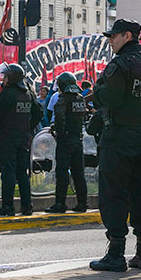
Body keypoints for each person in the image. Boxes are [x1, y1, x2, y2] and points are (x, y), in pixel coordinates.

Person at [89, 19, 141, 272]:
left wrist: (98, 89)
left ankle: (116, 254)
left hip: (118, 139)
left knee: (114, 196)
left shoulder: (120, 64)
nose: (110, 41)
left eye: (113, 36)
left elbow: (108, 98)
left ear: (127, 36)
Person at [0, 63, 42, 216]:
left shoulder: (8, 93)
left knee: (8, 171)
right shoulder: (29, 93)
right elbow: (38, 113)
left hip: (7, 136)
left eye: (5, 76)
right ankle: (27, 206)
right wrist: (28, 127)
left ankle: (8, 206)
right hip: (23, 136)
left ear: (11, 78)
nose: (3, 79)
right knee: (22, 172)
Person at [47, 71, 89, 214]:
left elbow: (59, 117)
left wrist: (58, 132)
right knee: (79, 173)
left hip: (65, 140)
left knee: (62, 172)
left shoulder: (63, 99)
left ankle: (60, 203)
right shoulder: (80, 99)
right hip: (78, 138)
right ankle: (82, 203)